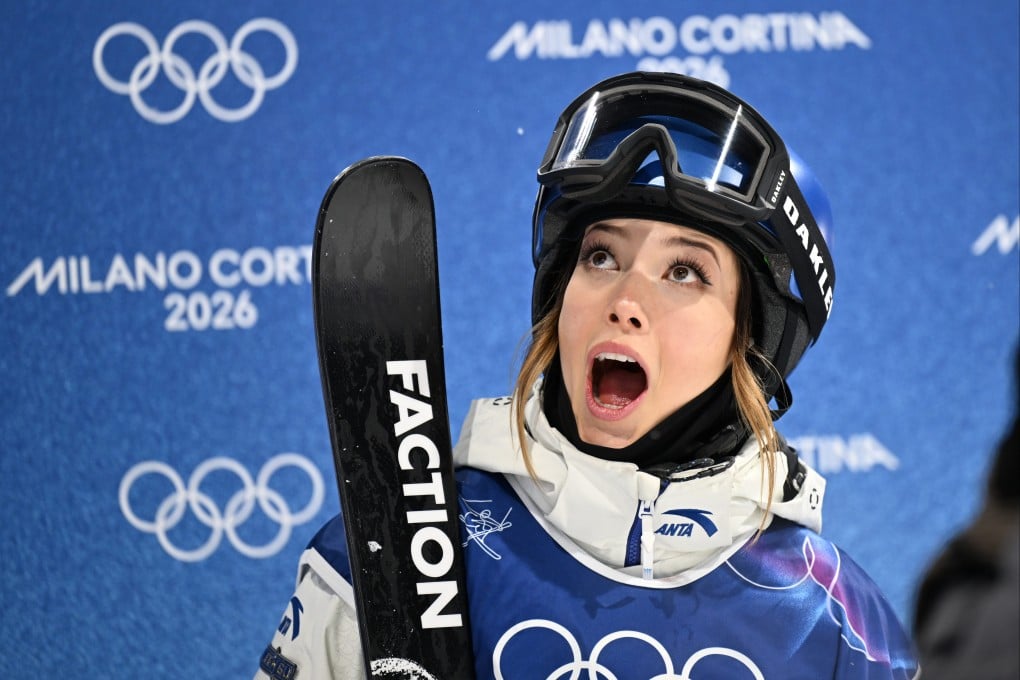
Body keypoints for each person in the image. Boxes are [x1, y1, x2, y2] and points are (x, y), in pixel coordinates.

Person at [256, 71, 920, 679]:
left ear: (752, 341)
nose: (625, 301)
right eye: (600, 257)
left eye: (683, 271)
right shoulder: (397, 550)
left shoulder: (838, 627)